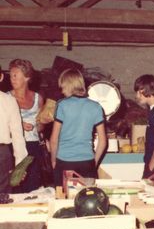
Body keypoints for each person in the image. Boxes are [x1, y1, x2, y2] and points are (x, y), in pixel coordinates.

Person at [50, 68, 107, 187]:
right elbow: (103, 141)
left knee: (63, 201)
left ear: (69, 85)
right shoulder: (96, 107)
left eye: (63, 87)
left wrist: (53, 160)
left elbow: (54, 139)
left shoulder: (62, 105)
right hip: (87, 162)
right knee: (86, 200)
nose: (62, 91)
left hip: (64, 162)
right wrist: (94, 162)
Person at [9, 59, 44, 193]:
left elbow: (40, 128)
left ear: (27, 77)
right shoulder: (6, 98)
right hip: (13, 147)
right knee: (15, 185)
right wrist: (18, 125)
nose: (12, 78)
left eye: (15, 75)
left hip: (33, 147)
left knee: (33, 186)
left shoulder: (38, 98)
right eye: (11, 75)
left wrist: (43, 122)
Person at [0, 66, 27, 203]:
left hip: (3, 157)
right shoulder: (10, 101)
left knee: (3, 199)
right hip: (3, 154)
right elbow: (18, 136)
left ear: (0, 77)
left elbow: (18, 136)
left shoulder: (10, 101)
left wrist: (20, 167)